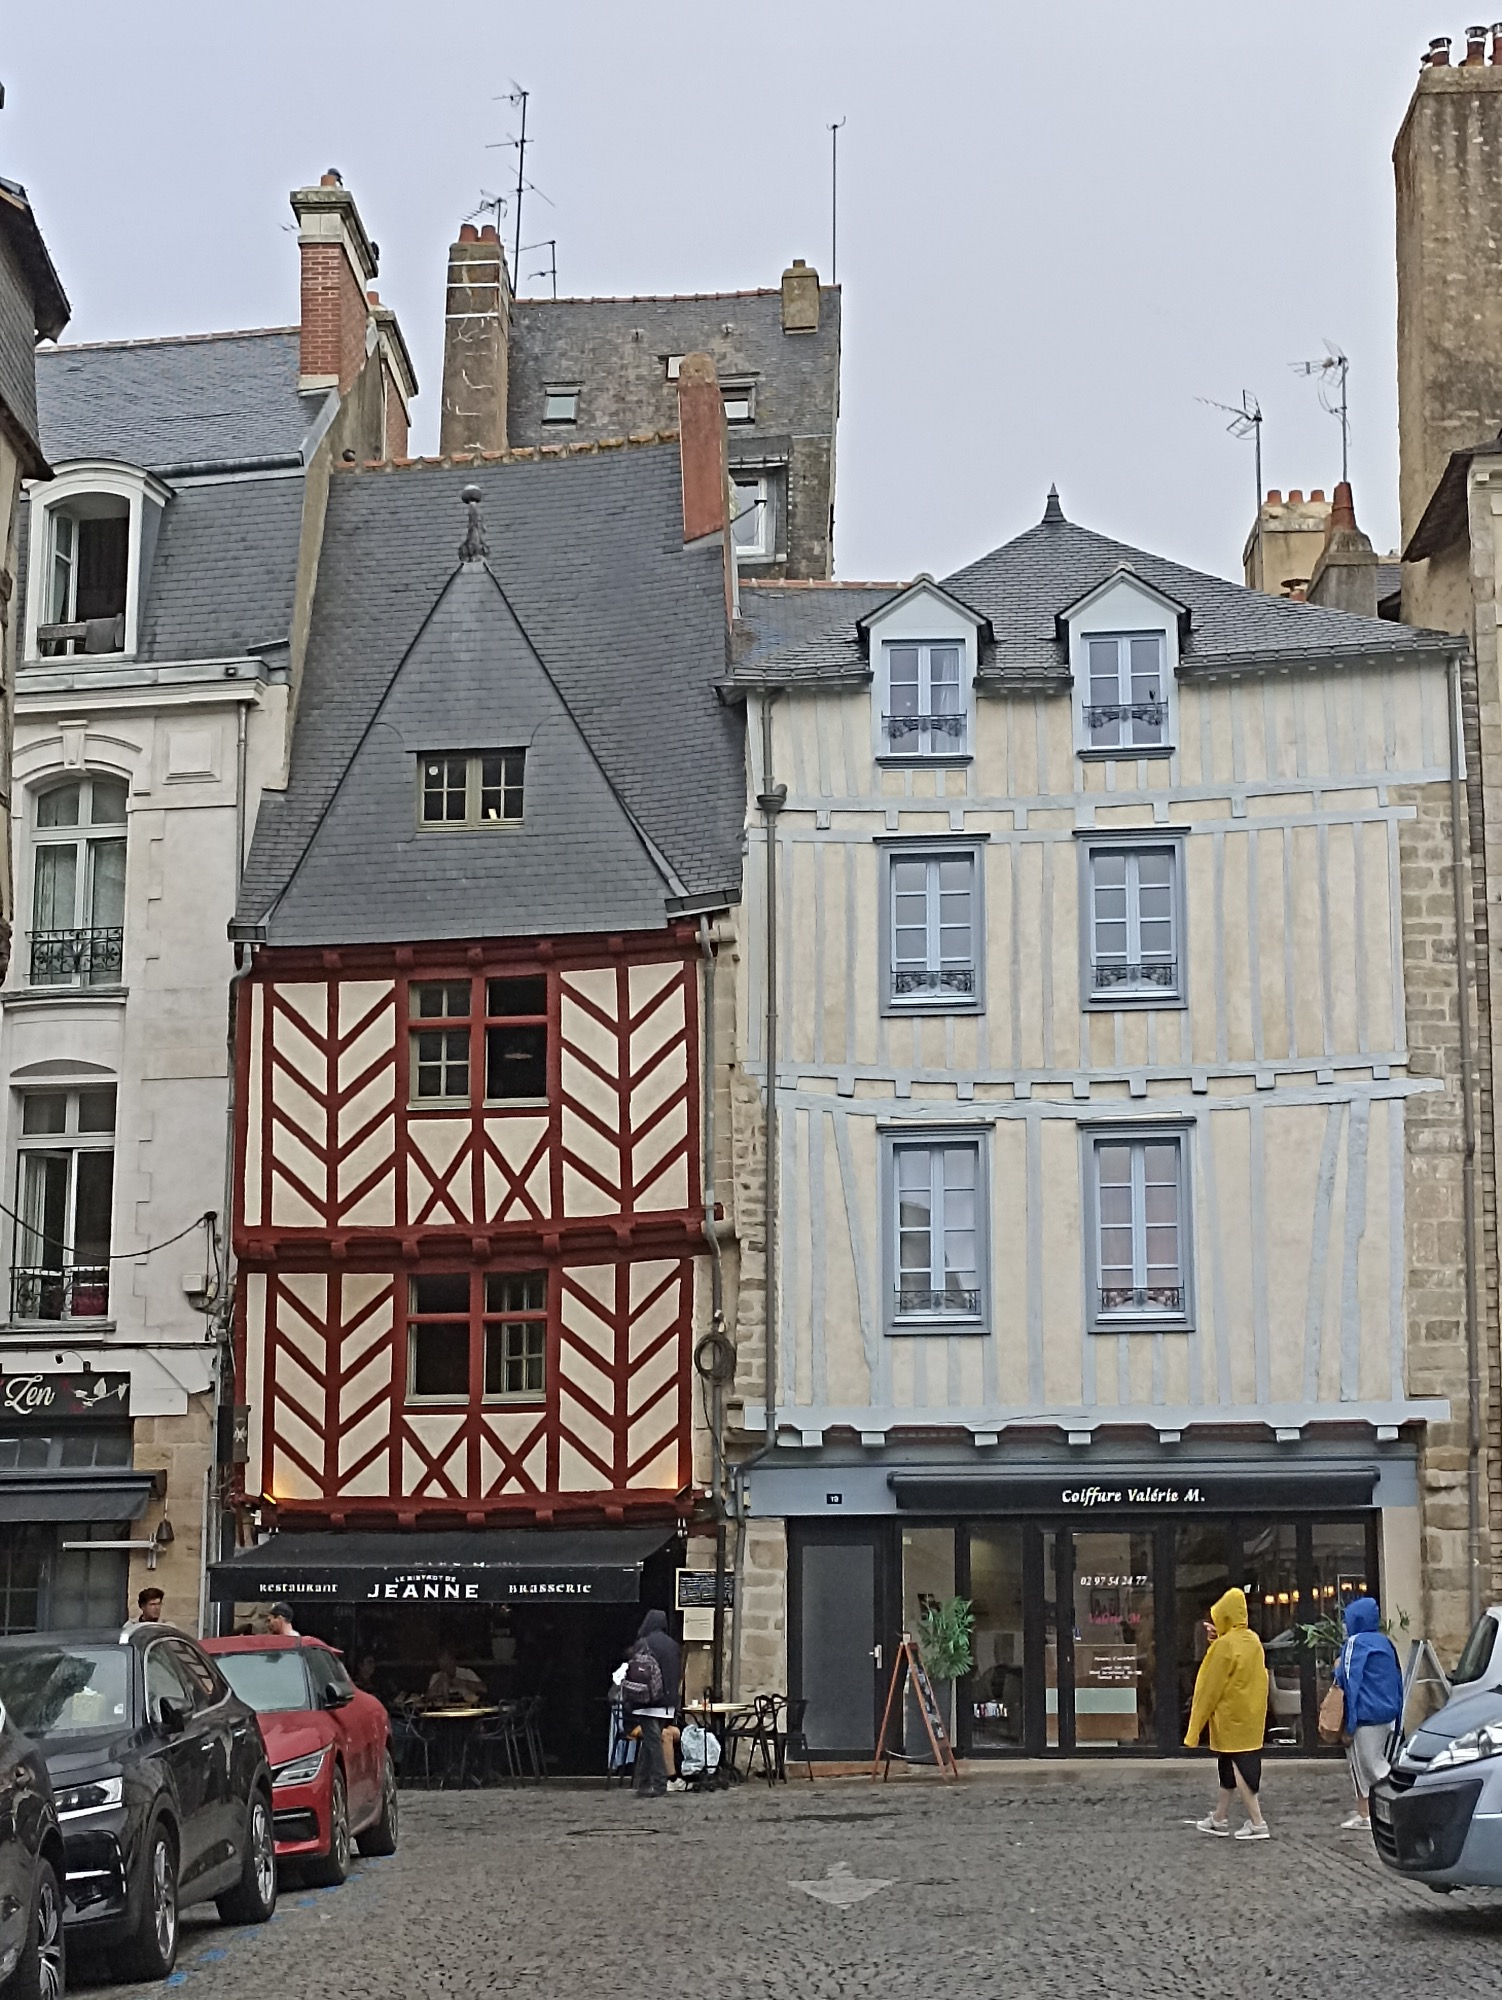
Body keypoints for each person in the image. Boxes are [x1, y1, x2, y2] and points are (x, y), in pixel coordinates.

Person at [1185, 1587, 1271, 1840]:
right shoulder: (1252, 1640)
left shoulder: (1223, 1646)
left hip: (1231, 1719)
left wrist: (1193, 1731)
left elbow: (1207, 1690)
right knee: (1230, 1768)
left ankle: (1257, 1822)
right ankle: (1219, 1817)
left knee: (1241, 1769)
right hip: (1251, 1717)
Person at [1332, 1596, 1403, 1829]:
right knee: (1364, 1766)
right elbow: (1397, 1677)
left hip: (1366, 1714)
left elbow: (1350, 1681)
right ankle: (1365, 1814)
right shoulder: (1385, 1643)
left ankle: (1399, 1807)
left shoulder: (1356, 1643)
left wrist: (1350, 1724)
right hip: (1386, 1712)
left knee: (1371, 1766)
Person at [622, 1609, 680, 1800]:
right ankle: (644, 1782)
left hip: (647, 1700)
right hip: (667, 1701)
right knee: (650, 1740)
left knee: (653, 1742)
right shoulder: (673, 1645)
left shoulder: (644, 1643)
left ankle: (659, 1783)